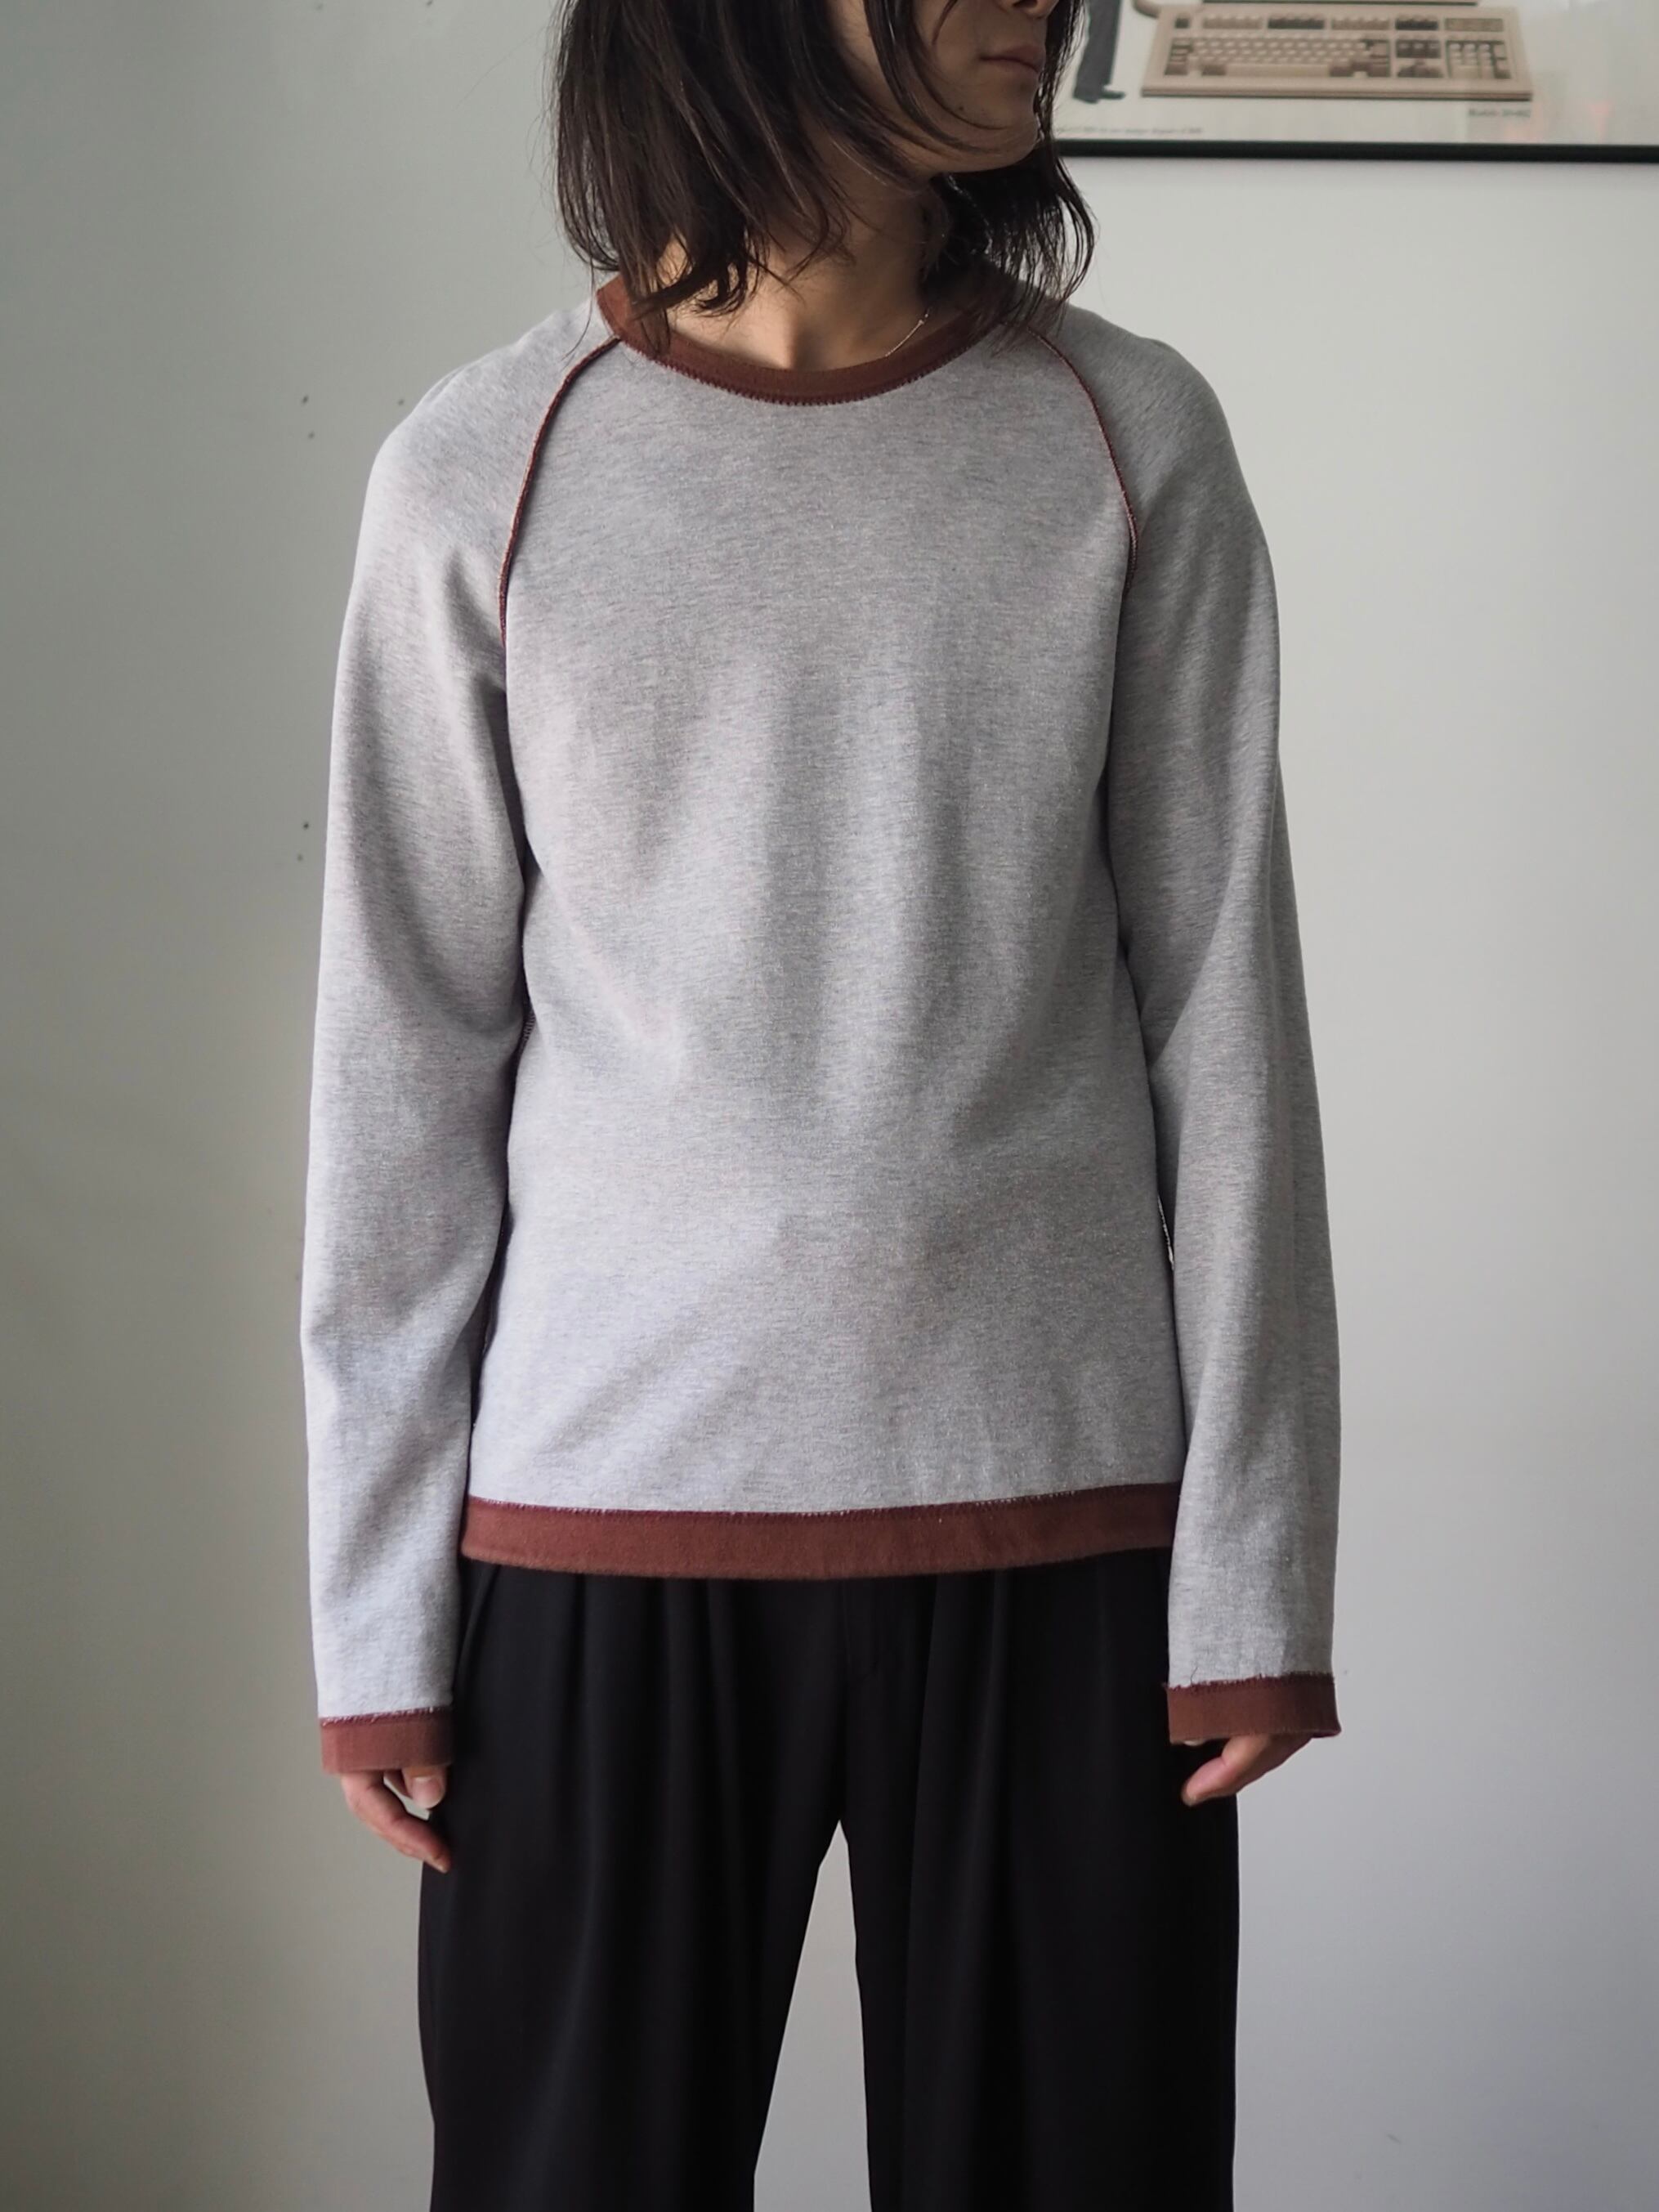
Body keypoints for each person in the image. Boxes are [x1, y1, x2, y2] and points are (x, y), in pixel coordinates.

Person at [298, 0, 1343, 2205]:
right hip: (599, 1528)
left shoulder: (1128, 437)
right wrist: (377, 1611)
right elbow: (404, 1064)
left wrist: (1253, 1570)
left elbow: (1224, 1023)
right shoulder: (483, 469)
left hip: (1060, 1525)